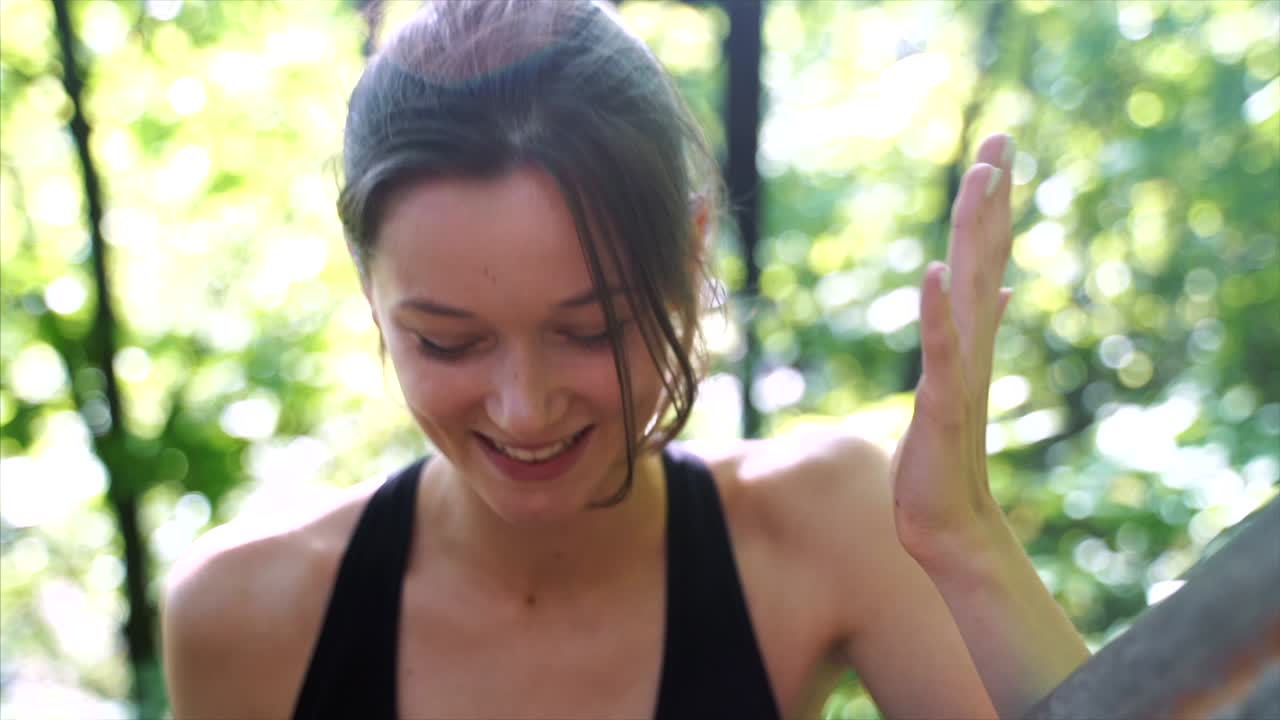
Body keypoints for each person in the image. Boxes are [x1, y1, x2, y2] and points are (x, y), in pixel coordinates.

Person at [162, 1, 1090, 718]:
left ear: (690, 259)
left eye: (591, 329)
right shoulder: (245, 613)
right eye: (448, 341)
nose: (523, 410)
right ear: (371, 297)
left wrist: (964, 540)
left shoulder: (828, 523)